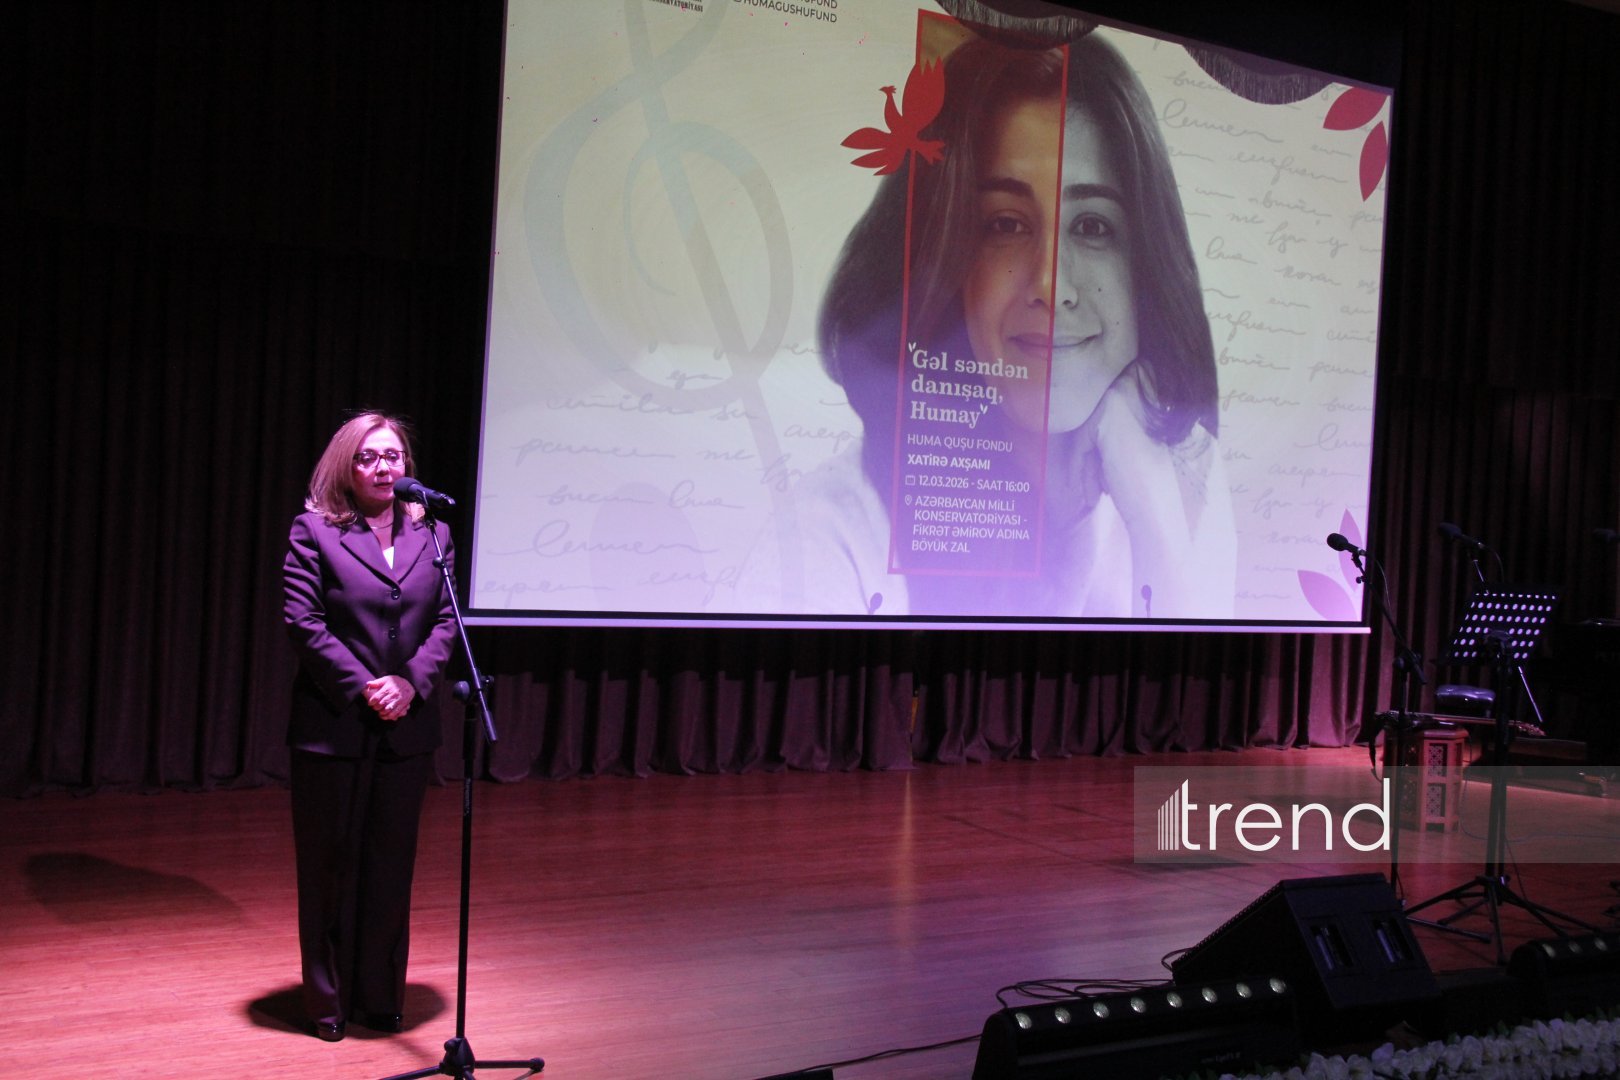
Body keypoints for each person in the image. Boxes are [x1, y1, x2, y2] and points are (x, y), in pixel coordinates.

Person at [802, 27, 1235, 618]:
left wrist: (1156, 520)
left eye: (1093, 227)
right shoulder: (832, 527)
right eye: (1005, 224)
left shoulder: (1186, 473)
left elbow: (1200, 698)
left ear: (1149, 269)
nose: (1051, 287)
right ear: (945, 258)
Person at [282, 411, 455, 1041]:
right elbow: (304, 621)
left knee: (389, 867)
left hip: (406, 727)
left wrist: (410, 681)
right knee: (331, 867)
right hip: (334, 724)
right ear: (346, 467)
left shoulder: (431, 533)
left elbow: (444, 621)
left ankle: (380, 997)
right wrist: (365, 685)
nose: (385, 468)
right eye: (370, 458)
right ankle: (327, 1004)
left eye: (395, 456)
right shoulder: (315, 531)